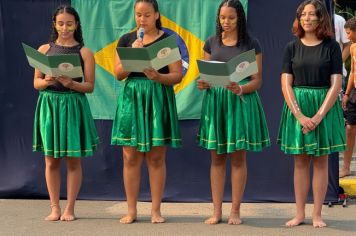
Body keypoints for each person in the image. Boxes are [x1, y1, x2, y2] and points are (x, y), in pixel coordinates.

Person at [197, 0, 270, 225]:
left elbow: (257, 81)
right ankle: (217, 211)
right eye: (222, 18)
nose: (226, 22)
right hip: (216, 103)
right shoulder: (211, 42)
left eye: (231, 18)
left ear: (240, 18)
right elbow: (205, 76)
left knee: (238, 158)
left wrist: (241, 87)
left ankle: (235, 211)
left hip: (239, 102)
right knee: (217, 158)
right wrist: (202, 83)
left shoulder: (252, 44)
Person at [111, 0, 182, 224]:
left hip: (158, 97)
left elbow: (177, 75)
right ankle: (131, 211)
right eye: (138, 15)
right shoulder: (126, 40)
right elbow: (118, 74)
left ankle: (155, 210)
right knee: (130, 156)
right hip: (132, 98)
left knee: (156, 156)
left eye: (147, 15)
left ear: (157, 15)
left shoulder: (167, 41)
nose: (142, 19)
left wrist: (158, 77)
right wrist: (133, 55)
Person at [277, 0, 346, 228]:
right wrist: (299, 115)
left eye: (311, 14)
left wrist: (318, 116)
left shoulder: (332, 47)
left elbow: (336, 83)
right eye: (302, 14)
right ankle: (299, 214)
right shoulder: (291, 47)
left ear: (321, 18)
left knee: (321, 161)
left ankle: (317, 214)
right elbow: (286, 83)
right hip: (298, 108)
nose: (306, 18)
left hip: (323, 108)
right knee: (300, 162)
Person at [32, 5, 99, 221]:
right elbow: (36, 83)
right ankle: (54, 207)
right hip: (50, 105)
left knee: (73, 160)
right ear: (54, 24)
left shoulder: (84, 52)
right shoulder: (44, 50)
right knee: (50, 160)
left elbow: (89, 86)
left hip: (73, 105)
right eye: (60, 23)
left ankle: (70, 208)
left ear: (77, 25)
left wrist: (72, 83)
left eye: (69, 23)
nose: (65, 28)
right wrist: (46, 81)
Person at [341, 16, 356, 177]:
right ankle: (345, 166)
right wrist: (346, 93)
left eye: (349, 33)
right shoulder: (352, 48)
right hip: (354, 92)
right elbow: (352, 71)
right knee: (350, 127)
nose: (347, 36)